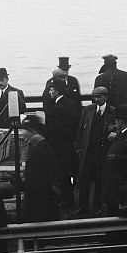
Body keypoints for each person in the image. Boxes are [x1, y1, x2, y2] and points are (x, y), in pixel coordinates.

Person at [75, 86, 115, 215]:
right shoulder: (88, 110)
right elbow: (81, 128)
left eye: (99, 97)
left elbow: (118, 129)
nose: (96, 99)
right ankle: (82, 207)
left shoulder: (112, 112)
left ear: (106, 97)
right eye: (94, 97)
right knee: (84, 180)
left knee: (99, 181)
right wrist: (78, 147)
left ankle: (97, 207)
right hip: (88, 153)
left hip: (103, 154)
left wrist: (114, 132)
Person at [44, 78, 80, 209]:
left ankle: (65, 203)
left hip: (59, 148)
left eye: (51, 89)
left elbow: (53, 130)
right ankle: (69, 202)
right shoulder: (70, 104)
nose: (49, 92)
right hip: (69, 146)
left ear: (57, 91)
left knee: (61, 176)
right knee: (67, 175)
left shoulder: (57, 109)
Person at [20, 112, 62, 222]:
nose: (24, 134)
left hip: (39, 195)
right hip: (40, 193)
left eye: (26, 130)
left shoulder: (40, 148)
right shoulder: (40, 144)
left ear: (32, 130)